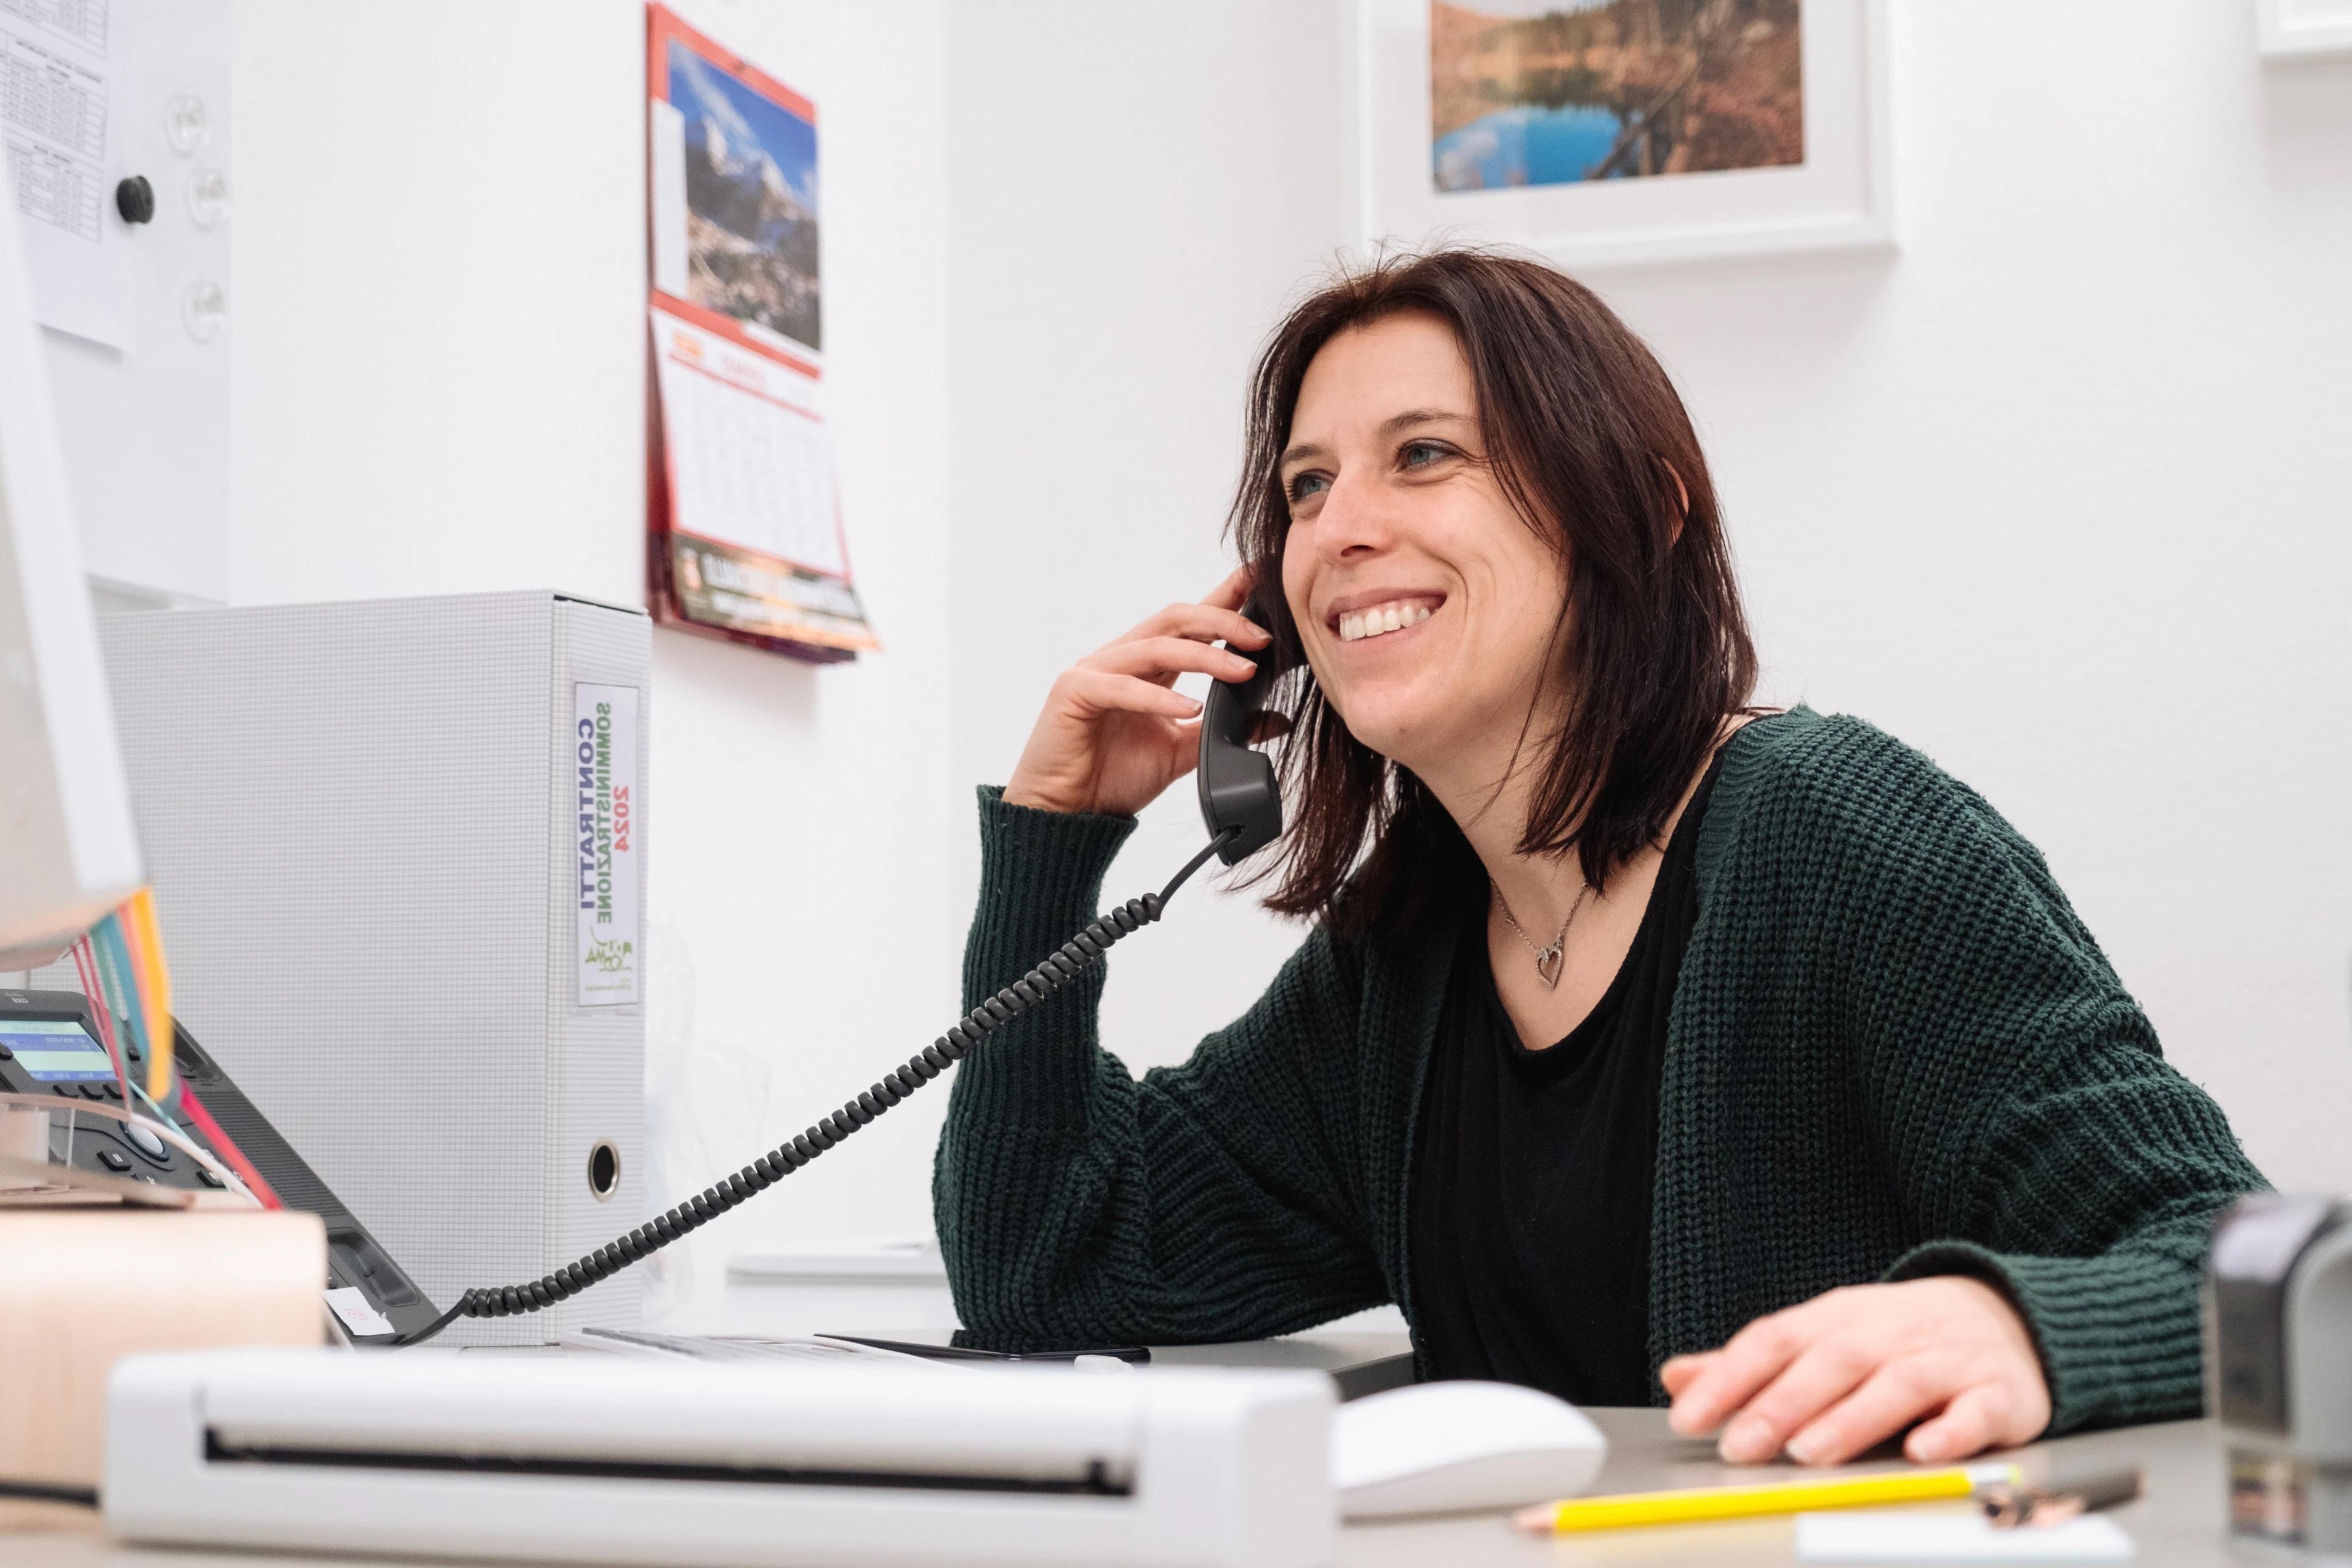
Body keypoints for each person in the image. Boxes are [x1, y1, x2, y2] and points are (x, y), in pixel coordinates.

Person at [934, 249, 2264, 1467]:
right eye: (1305, 485)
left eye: (1424, 454)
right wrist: (1054, 843)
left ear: (1637, 510)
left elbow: (2244, 1263)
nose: (1337, 529)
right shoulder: (1399, 964)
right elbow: (1047, 1265)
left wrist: (2018, 1325)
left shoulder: (1834, 832)